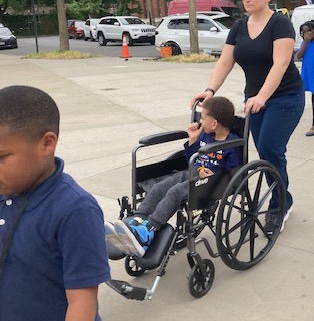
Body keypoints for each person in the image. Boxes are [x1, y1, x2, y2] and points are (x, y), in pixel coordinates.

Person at [191, 0, 304, 235]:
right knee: (264, 153)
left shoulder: (280, 24)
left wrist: (263, 97)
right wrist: (209, 90)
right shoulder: (239, 27)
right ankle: (281, 196)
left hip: (285, 97)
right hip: (254, 99)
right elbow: (225, 62)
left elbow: (281, 63)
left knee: (270, 149)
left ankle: (280, 205)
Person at [0, 85, 110, 321]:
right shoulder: (5, 189)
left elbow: (82, 302)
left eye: (1, 157)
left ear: (47, 144)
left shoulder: (75, 211)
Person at [107, 97, 243, 256]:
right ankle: (136, 220)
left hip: (209, 183)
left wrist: (216, 176)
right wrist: (193, 140)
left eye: (203, 117)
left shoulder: (232, 144)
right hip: (193, 173)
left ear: (214, 123)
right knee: (160, 187)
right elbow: (193, 159)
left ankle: (148, 230)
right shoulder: (205, 135)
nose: (200, 120)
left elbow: (234, 173)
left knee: (175, 192)